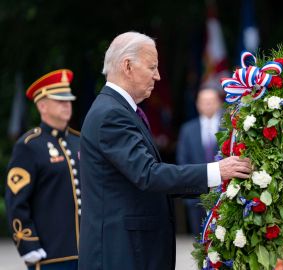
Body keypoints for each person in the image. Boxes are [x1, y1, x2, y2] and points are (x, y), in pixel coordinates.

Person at [78, 31, 252, 270]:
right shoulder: (111, 114)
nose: (158, 76)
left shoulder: (118, 110)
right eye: (152, 67)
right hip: (120, 255)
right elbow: (148, 175)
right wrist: (218, 171)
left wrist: (223, 184)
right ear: (127, 66)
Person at [4, 69, 81, 270]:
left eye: (68, 99)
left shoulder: (79, 142)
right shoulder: (29, 146)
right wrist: (28, 245)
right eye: (59, 100)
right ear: (42, 105)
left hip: (87, 254)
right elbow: (16, 200)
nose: (67, 104)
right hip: (51, 257)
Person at [177, 88, 222, 236]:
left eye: (211, 101)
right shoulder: (188, 129)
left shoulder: (228, 127)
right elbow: (183, 160)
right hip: (196, 196)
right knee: (200, 239)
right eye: (204, 101)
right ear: (197, 104)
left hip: (223, 194)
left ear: (218, 103)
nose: (208, 105)